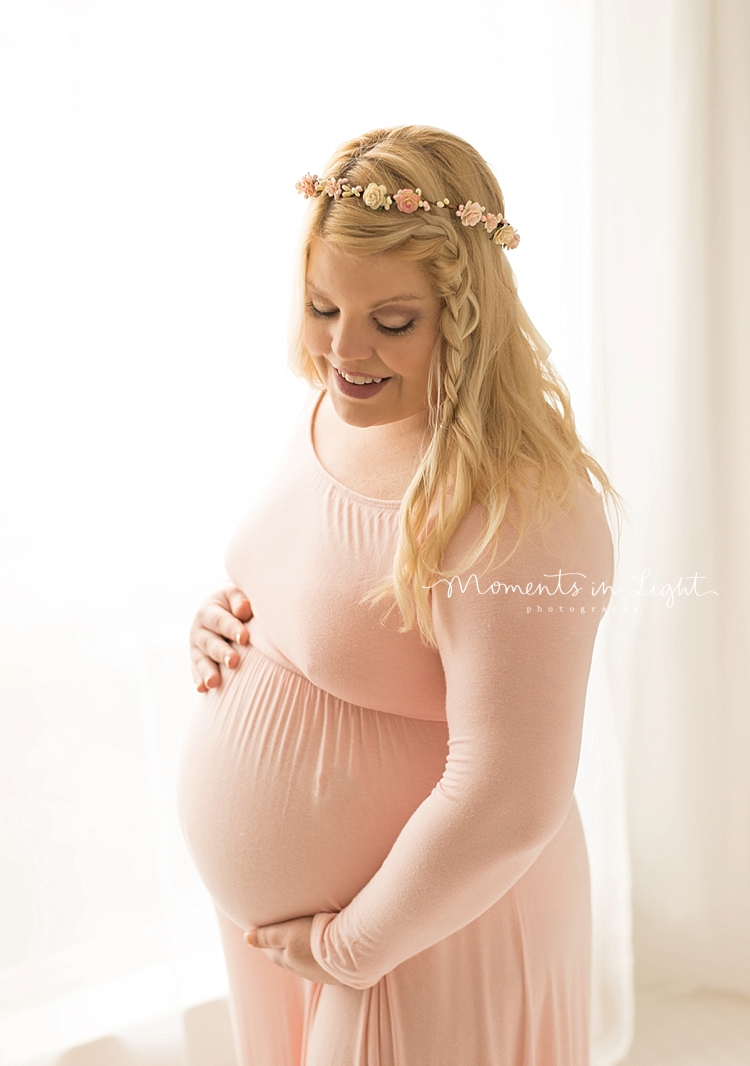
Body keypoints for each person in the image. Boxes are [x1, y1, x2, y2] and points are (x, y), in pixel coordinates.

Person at [176, 124, 620, 1066]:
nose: (345, 349)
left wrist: (350, 949)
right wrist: (229, 623)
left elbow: (512, 795)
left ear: (464, 315)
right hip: (316, 941)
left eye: (393, 320)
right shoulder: (348, 408)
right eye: (320, 305)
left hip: (424, 939)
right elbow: (330, 586)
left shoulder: (518, 504)